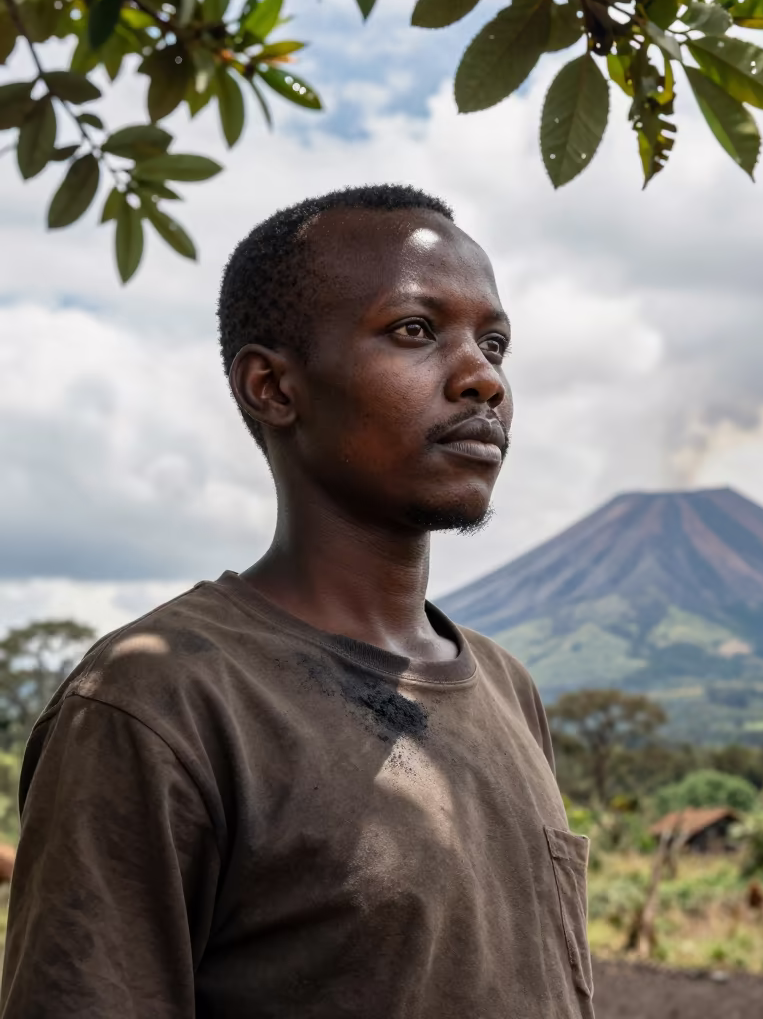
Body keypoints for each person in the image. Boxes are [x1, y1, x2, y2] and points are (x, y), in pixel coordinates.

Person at [1, 185, 594, 1019]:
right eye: (415, 331)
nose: (482, 379)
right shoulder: (160, 703)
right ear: (273, 387)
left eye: (493, 342)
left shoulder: (508, 689)